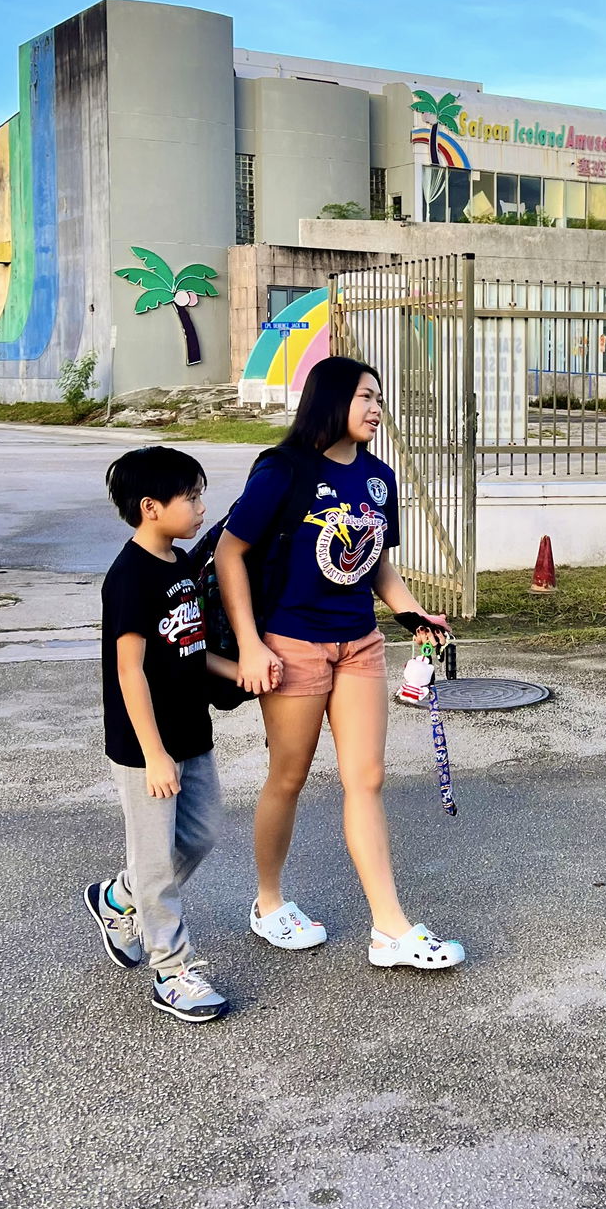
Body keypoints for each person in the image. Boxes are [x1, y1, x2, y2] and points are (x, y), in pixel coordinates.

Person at [214, 356, 464, 971]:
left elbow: (376, 563)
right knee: (289, 777)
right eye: (365, 397)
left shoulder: (378, 478)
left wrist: (413, 616)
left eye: (379, 398)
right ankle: (268, 903)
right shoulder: (283, 470)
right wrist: (250, 644)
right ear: (330, 400)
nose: (376, 408)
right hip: (291, 645)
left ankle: (390, 929)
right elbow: (229, 552)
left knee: (367, 779)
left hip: (359, 644)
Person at [86, 446, 240, 1024]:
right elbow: (130, 671)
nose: (202, 507)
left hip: (191, 731)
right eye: (191, 497)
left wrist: (245, 667)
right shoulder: (129, 579)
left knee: (199, 835)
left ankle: (118, 897)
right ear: (151, 507)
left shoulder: (179, 565)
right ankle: (172, 970)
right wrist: (154, 755)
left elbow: (189, 651)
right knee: (154, 859)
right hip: (145, 745)